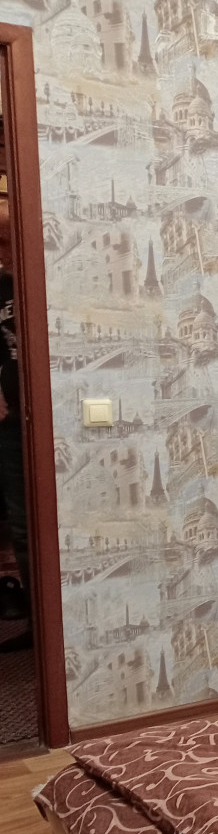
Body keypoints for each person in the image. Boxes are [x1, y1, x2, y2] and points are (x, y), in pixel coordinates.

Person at [0, 269, 30, 644]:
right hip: (8, 425)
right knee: (22, 528)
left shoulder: (20, 279)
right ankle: (37, 625)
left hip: (49, 418)